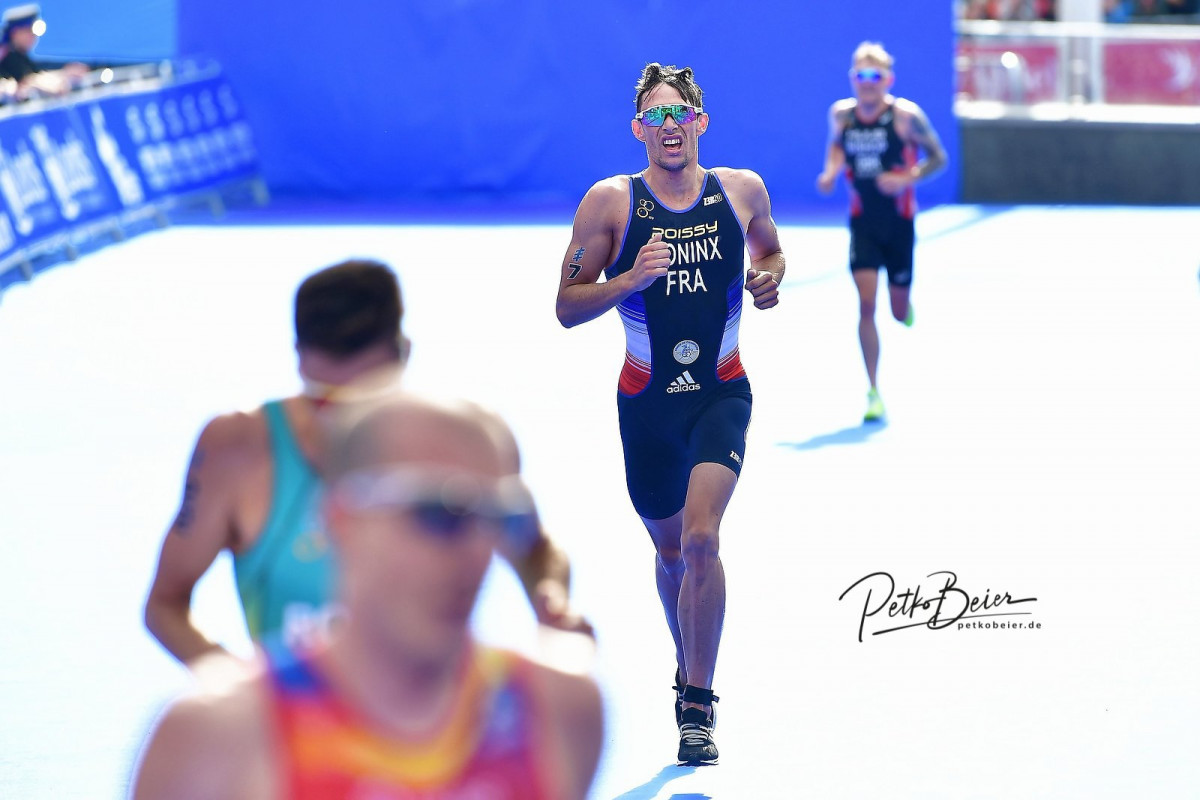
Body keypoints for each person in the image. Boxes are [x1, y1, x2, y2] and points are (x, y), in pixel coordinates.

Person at [132, 392, 604, 799]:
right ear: (342, 520)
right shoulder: (211, 741)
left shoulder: (563, 711)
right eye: (439, 513)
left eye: (501, 519)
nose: (476, 551)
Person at [144, 259, 591, 666]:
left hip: (443, 723)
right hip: (295, 729)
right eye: (325, 402)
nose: (345, 423)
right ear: (298, 361)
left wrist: (550, 599)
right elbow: (165, 605)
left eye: (366, 404)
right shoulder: (236, 449)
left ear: (405, 357)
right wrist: (241, 690)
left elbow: (535, 549)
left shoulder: (468, 442)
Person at [555, 62, 784, 764]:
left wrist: (768, 279)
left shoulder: (740, 191)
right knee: (672, 554)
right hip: (646, 406)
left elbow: (771, 250)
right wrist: (629, 278)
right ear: (638, 130)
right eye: (654, 116)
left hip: (721, 391)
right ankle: (688, 662)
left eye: (679, 113)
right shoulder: (610, 204)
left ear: (700, 122)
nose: (668, 126)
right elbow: (566, 306)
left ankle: (698, 705)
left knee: (702, 538)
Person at [817, 41, 947, 422]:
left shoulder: (905, 117)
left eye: (875, 75)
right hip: (864, 224)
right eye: (861, 74)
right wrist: (830, 172)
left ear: (888, 79)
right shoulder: (842, 115)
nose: (868, 82)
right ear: (852, 79)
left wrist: (907, 178)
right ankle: (873, 390)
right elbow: (836, 147)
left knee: (897, 310)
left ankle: (905, 307)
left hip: (899, 224)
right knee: (866, 304)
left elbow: (938, 157)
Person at [0, 5, 87, 99]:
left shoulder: (20, 57)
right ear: (15, 32)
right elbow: (24, 80)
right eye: (29, 31)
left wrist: (64, 72)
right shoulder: (6, 55)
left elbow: (36, 71)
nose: (33, 36)